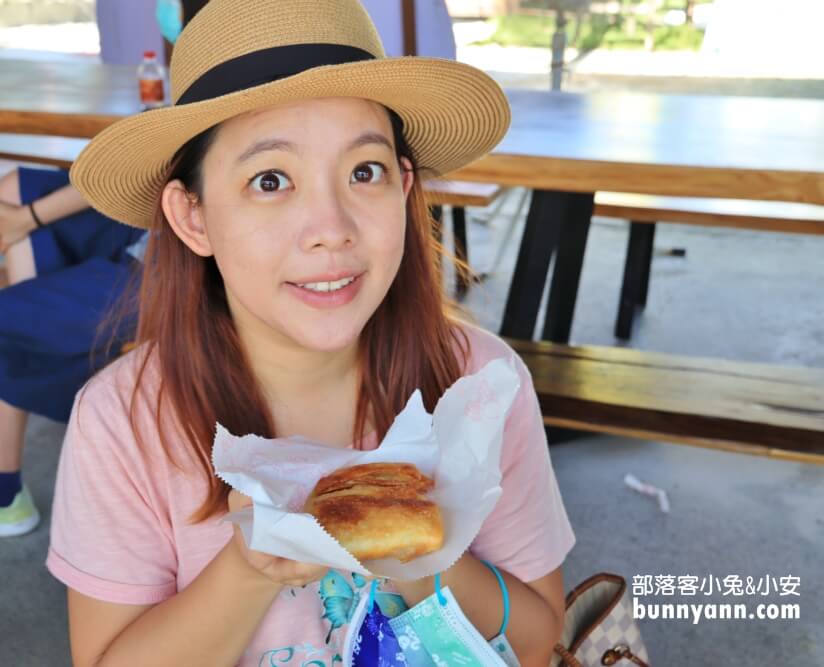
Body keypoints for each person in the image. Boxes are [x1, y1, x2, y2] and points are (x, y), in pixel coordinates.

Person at [46, 1, 576, 665]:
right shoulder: (123, 421)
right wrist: (247, 567)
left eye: (364, 171)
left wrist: (415, 550)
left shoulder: (479, 384)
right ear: (193, 216)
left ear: (405, 189)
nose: (331, 226)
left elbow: (537, 639)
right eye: (271, 180)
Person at [0, 168, 145, 540]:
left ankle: (1, 498)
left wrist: (27, 219)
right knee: (17, 190)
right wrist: (23, 216)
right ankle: (17, 384)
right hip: (153, 226)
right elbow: (142, 167)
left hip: (175, 271)